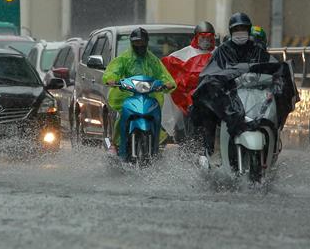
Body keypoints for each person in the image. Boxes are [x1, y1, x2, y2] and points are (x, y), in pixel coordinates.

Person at [190, 13, 271, 158]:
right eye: (237, 29)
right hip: (228, 96)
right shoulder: (221, 51)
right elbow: (210, 72)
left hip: (253, 94)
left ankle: (273, 144)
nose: (240, 32)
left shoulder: (258, 50)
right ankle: (208, 152)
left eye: (243, 28)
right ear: (231, 31)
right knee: (208, 112)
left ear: (248, 30)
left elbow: (271, 68)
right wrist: (217, 83)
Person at [102, 27, 176, 156]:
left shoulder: (153, 60)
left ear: (146, 42)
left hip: (150, 95)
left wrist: (167, 83)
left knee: (157, 117)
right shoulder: (124, 58)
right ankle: (115, 143)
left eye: (142, 42)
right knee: (122, 116)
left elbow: (163, 75)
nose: (139, 45)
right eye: (136, 42)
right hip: (127, 95)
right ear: (131, 43)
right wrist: (112, 80)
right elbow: (112, 71)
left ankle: (157, 144)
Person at [160, 21, 216, 141]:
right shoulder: (185, 54)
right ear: (196, 37)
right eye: (203, 37)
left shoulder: (219, 53)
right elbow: (169, 67)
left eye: (209, 37)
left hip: (215, 99)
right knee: (190, 127)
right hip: (192, 101)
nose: (206, 40)